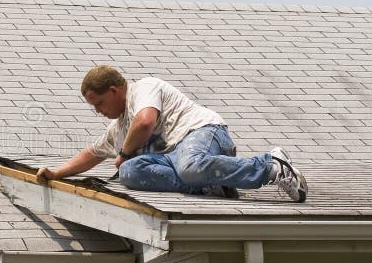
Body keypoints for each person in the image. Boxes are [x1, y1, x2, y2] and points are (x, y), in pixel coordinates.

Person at [36, 65, 308, 202]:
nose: (98, 111)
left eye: (99, 104)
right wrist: (57, 173)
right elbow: (91, 154)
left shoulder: (144, 88)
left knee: (186, 165)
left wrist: (124, 153)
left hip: (203, 132)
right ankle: (209, 183)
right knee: (129, 173)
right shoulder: (118, 129)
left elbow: (145, 122)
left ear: (114, 91)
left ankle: (271, 166)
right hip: (177, 159)